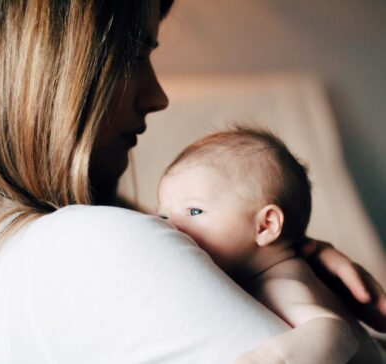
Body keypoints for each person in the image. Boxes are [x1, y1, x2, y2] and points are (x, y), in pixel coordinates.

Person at [0, 0, 385, 363]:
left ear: (266, 225)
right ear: (43, 68)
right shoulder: (96, 243)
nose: (158, 97)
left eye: (195, 212)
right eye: (132, 54)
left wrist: (298, 250)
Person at [157, 126, 384, 363]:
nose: (170, 226)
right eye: (163, 216)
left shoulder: (280, 283)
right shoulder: (267, 271)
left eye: (194, 211)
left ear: (266, 226)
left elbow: (335, 332)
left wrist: (271, 358)